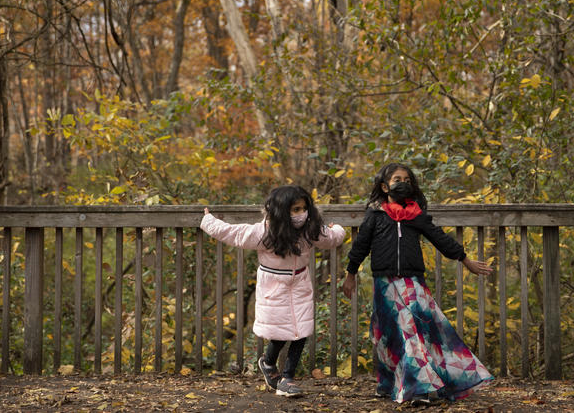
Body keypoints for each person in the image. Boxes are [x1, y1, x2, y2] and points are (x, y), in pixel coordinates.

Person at [342, 163, 493, 404]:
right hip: (385, 283)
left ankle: (418, 389)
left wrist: (465, 260)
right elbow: (360, 246)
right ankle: (389, 383)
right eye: (396, 179)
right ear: (384, 186)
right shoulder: (375, 216)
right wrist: (350, 274)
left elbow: (441, 239)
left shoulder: (417, 216)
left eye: (407, 180)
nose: (402, 183)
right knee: (388, 335)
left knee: (414, 332)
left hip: (413, 283)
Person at [200, 185, 346, 397]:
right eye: (294, 210)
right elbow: (233, 233)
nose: (300, 214)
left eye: (303, 208)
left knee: (301, 331)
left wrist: (338, 229)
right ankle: (268, 363)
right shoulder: (264, 231)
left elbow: (331, 238)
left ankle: (287, 378)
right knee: (279, 331)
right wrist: (208, 220)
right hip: (273, 285)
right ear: (281, 211)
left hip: (300, 283)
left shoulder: (310, 229)